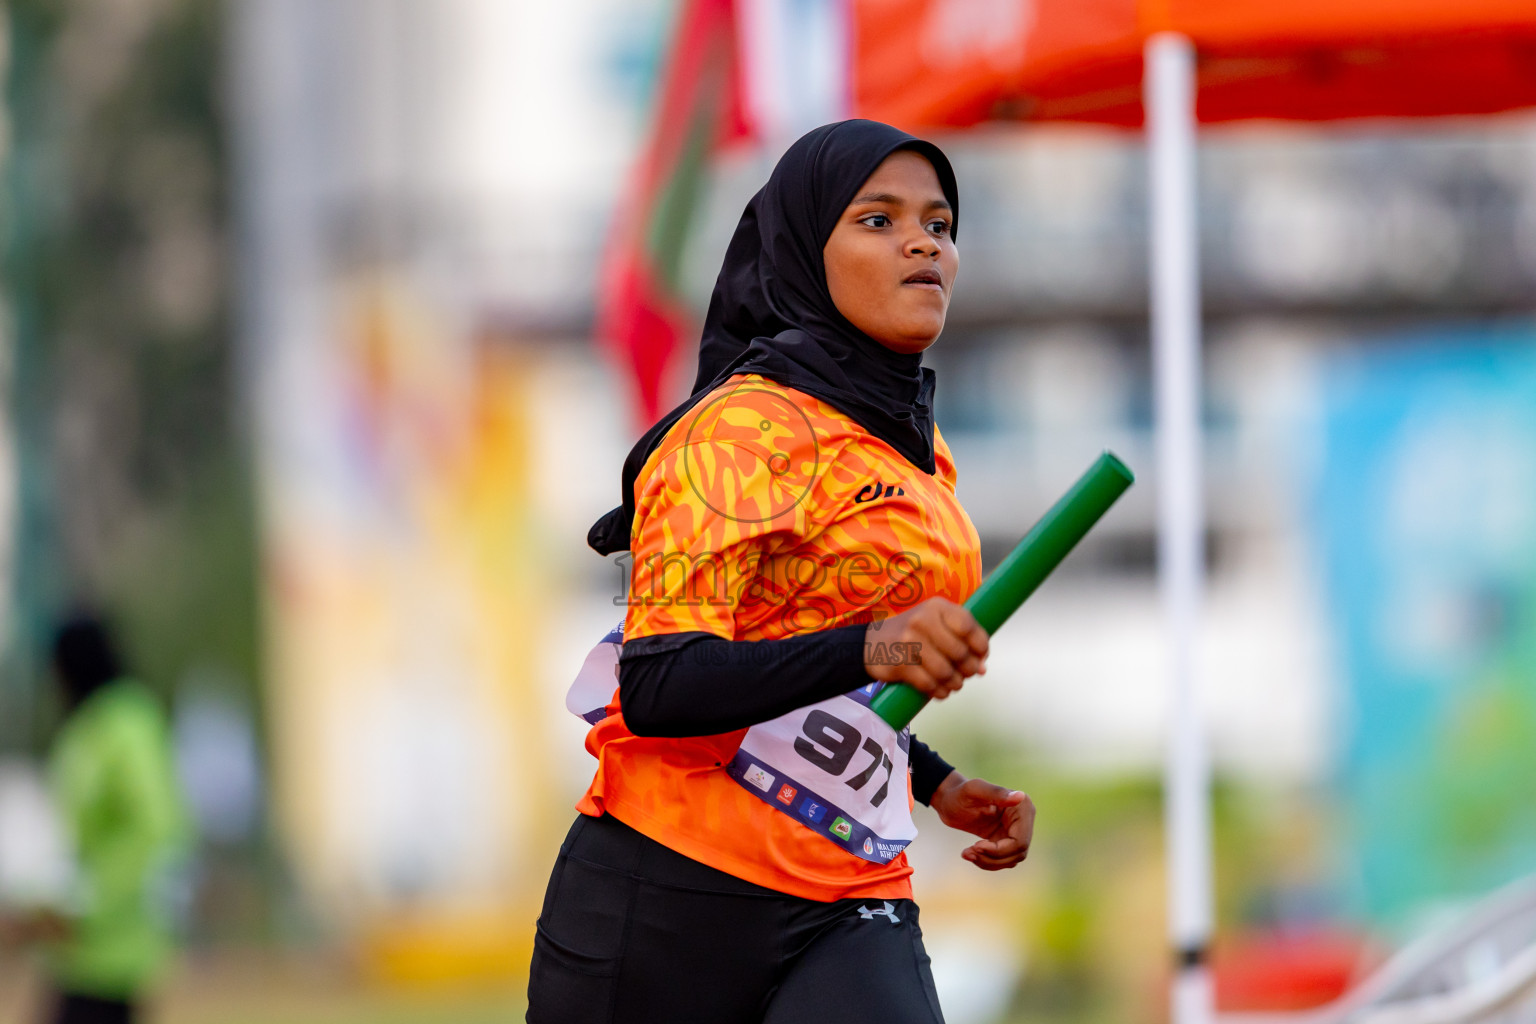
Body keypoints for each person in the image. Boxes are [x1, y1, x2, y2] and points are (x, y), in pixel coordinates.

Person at [530, 120, 1035, 1024]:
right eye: (877, 221)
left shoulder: (922, 451)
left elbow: (807, 662)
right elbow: (661, 684)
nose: (924, 242)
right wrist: (879, 647)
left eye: (941, 224)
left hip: (852, 889)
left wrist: (934, 780)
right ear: (804, 250)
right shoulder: (738, 433)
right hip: (668, 891)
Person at [6, 615, 188, 1024]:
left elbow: (159, 830)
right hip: (74, 952)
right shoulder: (84, 728)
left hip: (115, 947)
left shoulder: (127, 722)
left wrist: (84, 906)